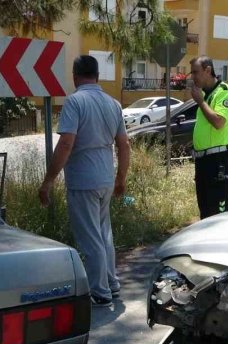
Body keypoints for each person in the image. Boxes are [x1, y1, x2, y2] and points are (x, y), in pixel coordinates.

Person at [39, 55, 130, 308]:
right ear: (97, 76)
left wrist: (48, 181)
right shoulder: (113, 104)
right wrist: (121, 177)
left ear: (75, 75)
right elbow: (124, 144)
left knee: (90, 238)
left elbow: (66, 143)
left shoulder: (75, 102)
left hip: (83, 180)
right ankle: (111, 283)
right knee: (104, 234)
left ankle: (100, 291)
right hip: (105, 178)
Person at [188, 55, 228, 219]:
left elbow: (218, 122)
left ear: (207, 70)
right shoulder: (207, 94)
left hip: (218, 161)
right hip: (204, 161)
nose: (192, 77)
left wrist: (201, 103)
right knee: (205, 212)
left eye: (195, 72)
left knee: (217, 215)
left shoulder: (224, 92)